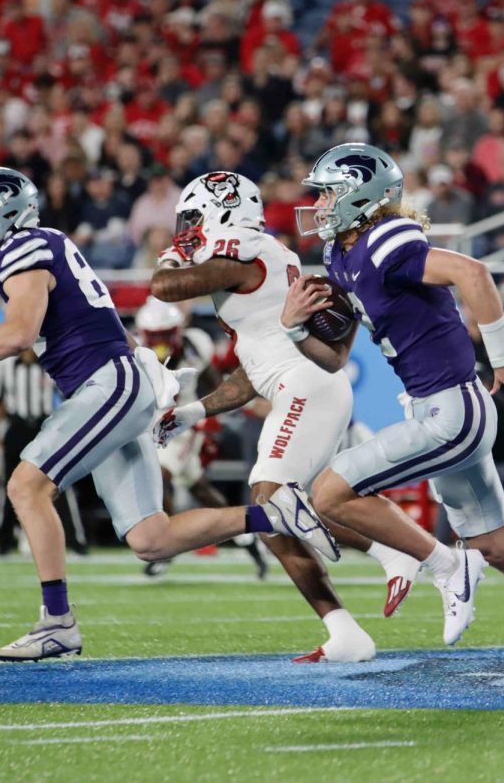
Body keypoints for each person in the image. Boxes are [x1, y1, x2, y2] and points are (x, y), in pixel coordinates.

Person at [0, 167, 338, 662]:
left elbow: (18, 334)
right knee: (152, 539)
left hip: (105, 385)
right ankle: (275, 513)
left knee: (25, 486)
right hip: (116, 383)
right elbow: (107, 326)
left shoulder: (24, 248)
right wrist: (144, 377)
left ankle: (56, 622)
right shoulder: (50, 244)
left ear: (7, 212)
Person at [281, 143, 504, 696]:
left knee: (329, 493)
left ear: (362, 194)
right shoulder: (341, 256)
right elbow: (336, 358)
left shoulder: (385, 237)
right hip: (434, 407)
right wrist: (297, 330)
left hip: (452, 410)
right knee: (500, 547)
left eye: (328, 192)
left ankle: (445, 564)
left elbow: (473, 273)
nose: (318, 203)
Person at [150, 171, 418, 663]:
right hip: (302, 384)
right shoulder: (263, 259)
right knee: (284, 512)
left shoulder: (242, 250)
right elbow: (255, 374)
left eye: (192, 218)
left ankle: (397, 552)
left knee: (270, 505)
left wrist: (172, 256)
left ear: (221, 210)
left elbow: (164, 287)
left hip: (306, 387)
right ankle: (346, 630)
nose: (186, 230)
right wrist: (191, 412)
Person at [134, 296, 266, 581]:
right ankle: (249, 538)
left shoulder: (196, 345)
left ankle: (165, 543)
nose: (158, 341)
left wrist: (210, 424)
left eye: (163, 335)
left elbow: (214, 385)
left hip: (184, 427)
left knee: (159, 476)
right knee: (200, 489)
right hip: (153, 429)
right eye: (153, 335)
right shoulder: (136, 352)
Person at [0, 348, 88, 557]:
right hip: (16, 427)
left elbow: (69, 396)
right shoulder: (6, 366)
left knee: (60, 483)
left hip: (44, 427)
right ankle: (2, 541)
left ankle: (76, 540)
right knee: (7, 485)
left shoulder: (51, 363)